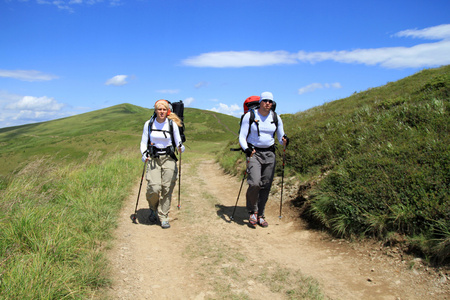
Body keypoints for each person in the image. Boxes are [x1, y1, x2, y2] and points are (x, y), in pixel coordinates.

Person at [239, 91, 289, 227]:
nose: (268, 103)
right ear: (260, 102)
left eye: (270, 101)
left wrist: (284, 140)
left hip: (270, 154)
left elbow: (280, 137)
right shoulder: (250, 116)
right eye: (265, 100)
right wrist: (247, 149)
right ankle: (252, 211)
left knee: (266, 184)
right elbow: (242, 137)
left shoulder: (276, 117)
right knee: (255, 183)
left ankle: (261, 214)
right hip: (254, 153)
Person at [140, 99, 185, 229]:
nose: (161, 112)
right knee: (153, 187)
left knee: (167, 188)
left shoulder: (172, 125)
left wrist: (181, 147)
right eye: (159, 109)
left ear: (167, 111)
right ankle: (153, 209)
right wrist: (144, 154)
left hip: (168, 158)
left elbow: (179, 142)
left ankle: (163, 215)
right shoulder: (148, 124)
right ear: (155, 110)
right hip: (153, 158)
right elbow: (143, 142)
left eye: (164, 109)